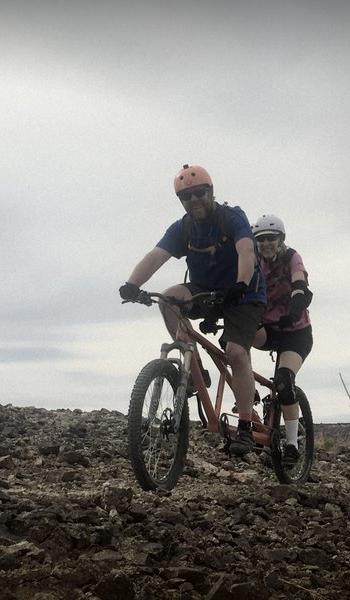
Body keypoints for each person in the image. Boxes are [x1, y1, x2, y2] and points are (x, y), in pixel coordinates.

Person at [119, 164, 266, 455]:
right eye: (186, 197)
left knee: (236, 352)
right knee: (168, 297)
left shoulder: (231, 217)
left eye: (199, 193)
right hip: (206, 289)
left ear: (210, 192)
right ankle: (195, 371)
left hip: (244, 293)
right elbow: (156, 256)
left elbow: (246, 250)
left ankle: (246, 428)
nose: (194, 200)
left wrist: (241, 282)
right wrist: (131, 284)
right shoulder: (182, 228)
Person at [251, 214, 313, 464]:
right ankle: (248, 400)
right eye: (261, 239)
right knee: (237, 339)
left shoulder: (291, 258)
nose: (265, 243)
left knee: (284, 381)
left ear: (280, 239)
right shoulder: (254, 261)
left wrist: (295, 310)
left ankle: (291, 445)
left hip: (295, 332)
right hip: (269, 327)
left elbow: (300, 284)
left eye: (270, 238)